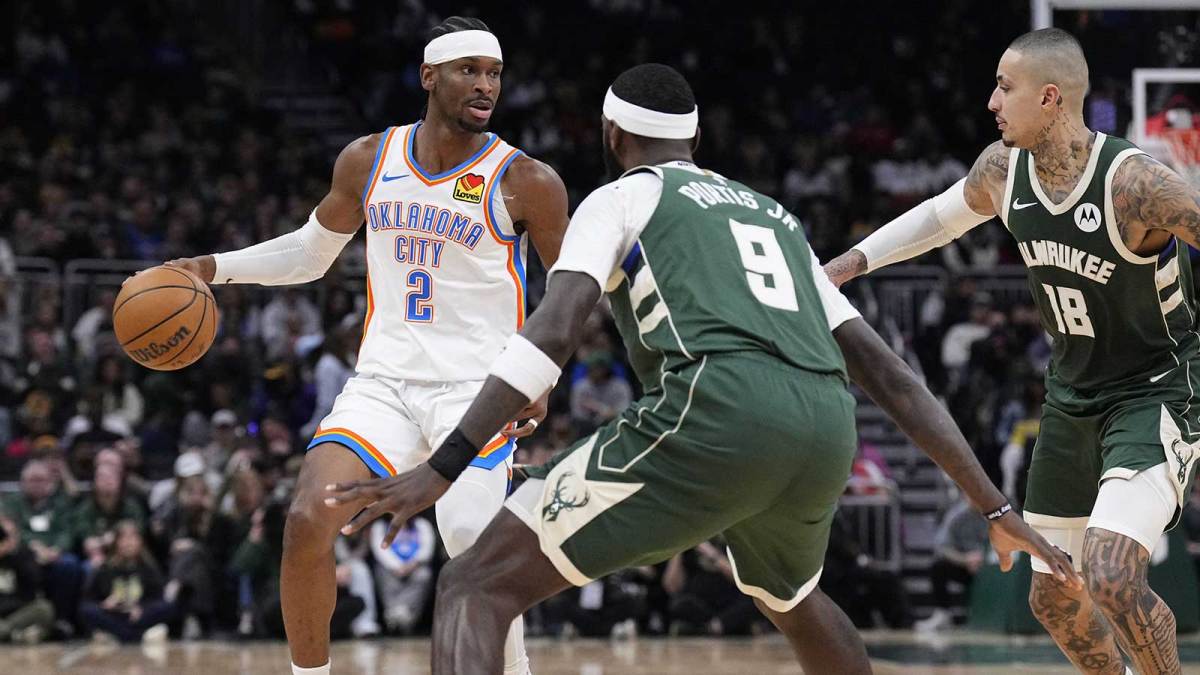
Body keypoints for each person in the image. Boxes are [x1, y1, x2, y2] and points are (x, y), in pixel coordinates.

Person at [326, 63, 1077, 675]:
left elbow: (554, 331)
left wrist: (446, 461)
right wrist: (994, 508)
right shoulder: (772, 215)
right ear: (692, 138)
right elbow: (894, 379)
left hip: (717, 406)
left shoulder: (622, 198)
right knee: (791, 594)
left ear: (612, 133)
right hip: (823, 424)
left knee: (472, 581)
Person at [164, 16, 568, 675]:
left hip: (479, 389)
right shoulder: (369, 159)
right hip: (384, 382)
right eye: (468, 69)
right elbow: (307, 253)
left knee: (470, 540)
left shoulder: (528, 180)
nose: (485, 84)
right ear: (428, 76)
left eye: (494, 73)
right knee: (307, 517)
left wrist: (541, 372)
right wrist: (209, 267)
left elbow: (573, 289)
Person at [823, 28, 1200, 674]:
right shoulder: (1003, 172)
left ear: (1049, 97)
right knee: (1053, 595)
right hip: (1070, 397)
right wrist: (852, 263)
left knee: (1110, 573)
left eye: (1005, 86)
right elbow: (941, 217)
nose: (992, 101)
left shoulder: (1133, 185)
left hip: (1154, 389)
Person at [78, 521, 176, 643]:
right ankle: (138, 636)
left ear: (140, 542)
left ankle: (117, 636)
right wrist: (105, 605)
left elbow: (159, 598)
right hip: (114, 615)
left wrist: (142, 608)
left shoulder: (149, 568)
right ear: (116, 543)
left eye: (133, 538)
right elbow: (88, 600)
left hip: (139, 615)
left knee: (168, 607)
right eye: (123, 538)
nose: (128, 543)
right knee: (87, 610)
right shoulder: (103, 569)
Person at [915, 497, 990, 632]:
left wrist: (984, 560)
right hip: (966, 567)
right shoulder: (957, 515)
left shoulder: (997, 513)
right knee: (938, 567)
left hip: (993, 565)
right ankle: (943, 614)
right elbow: (942, 548)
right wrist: (965, 560)